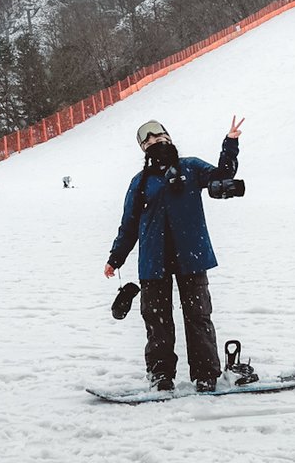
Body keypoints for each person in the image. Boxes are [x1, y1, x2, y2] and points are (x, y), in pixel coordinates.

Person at [104, 115, 245, 392]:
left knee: (199, 317)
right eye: (150, 141)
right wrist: (115, 258)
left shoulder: (190, 168)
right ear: (144, 150)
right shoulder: (140, 182)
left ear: (169, 140)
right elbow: (129, 225)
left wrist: (229, 144)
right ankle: (160, 375)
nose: (157, 142)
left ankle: (206, 374)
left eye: (161, 138)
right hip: (153, 262)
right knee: (157, 322)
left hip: (191, 257)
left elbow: (222, 175)